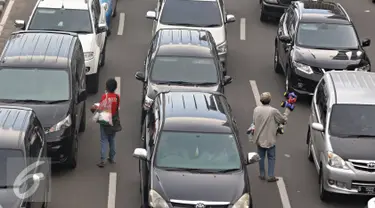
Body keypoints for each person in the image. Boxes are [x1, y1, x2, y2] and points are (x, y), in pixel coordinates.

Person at [250, 92, 287, 182]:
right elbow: (282, 120)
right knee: (271, 157)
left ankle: (262, 174)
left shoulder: (256, 110)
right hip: (270, 139)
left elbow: (254, 121)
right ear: (269, 100)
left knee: (261, 157)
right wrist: (286, 116)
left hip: (259, 138)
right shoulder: (273, 111)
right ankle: (270, 176)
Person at [91, 78, 121, 168]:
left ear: (107, 87)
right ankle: (112, 158)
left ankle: (102, 160)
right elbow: (116, 108)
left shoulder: (105, 97)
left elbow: (100, 108)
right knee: (112, 139)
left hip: (105, 121)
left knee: (103, 140)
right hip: (114, 121)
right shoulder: (117, 97)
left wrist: (94, 107)